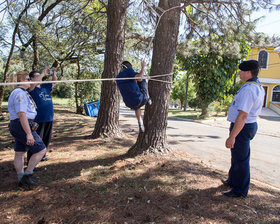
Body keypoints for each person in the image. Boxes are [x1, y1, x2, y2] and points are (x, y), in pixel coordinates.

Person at [222, 60, 265, 198]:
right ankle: (233, 181)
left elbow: (243, 115)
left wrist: (232, 136)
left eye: (241, 71)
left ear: (247, 72)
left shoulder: (249, 89)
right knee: (237, 156)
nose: (239, 73)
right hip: (247, 125)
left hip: (243, 126)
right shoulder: (255, 85)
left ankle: (239, 190)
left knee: (241, 159)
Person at [8, 71, 47, 187]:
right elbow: (22, 114)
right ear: (21, 81)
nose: (30, 81)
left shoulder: (21, 92)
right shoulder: (19, 93)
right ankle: (27, 176)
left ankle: (21, 179)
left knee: (19, 153)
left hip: (18, 125)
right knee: (41, 150)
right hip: (22, 125)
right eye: (27, 79)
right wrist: (29, 133)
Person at [27, 68, 57, 163]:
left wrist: (54, 74)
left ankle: (42, 156)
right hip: (38, 119)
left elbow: (54, 83)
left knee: (46, 138)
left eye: (39, 76)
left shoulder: (44, 87)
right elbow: (33, 85)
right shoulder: (31, 88)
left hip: (49, 117)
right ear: (31, 79)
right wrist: (43, 73)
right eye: (36, 76)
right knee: (36, 140)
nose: (39, 77)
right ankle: (31, 159)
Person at [116, 61, 151, 132]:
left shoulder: (118, 77)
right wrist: (143, 67)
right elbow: (140, 78)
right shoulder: (128, 70)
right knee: (143, 80)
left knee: (136, 106)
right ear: (129, 67)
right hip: (141, 100)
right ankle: (148, 98)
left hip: (129, 103)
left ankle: (140, 123)